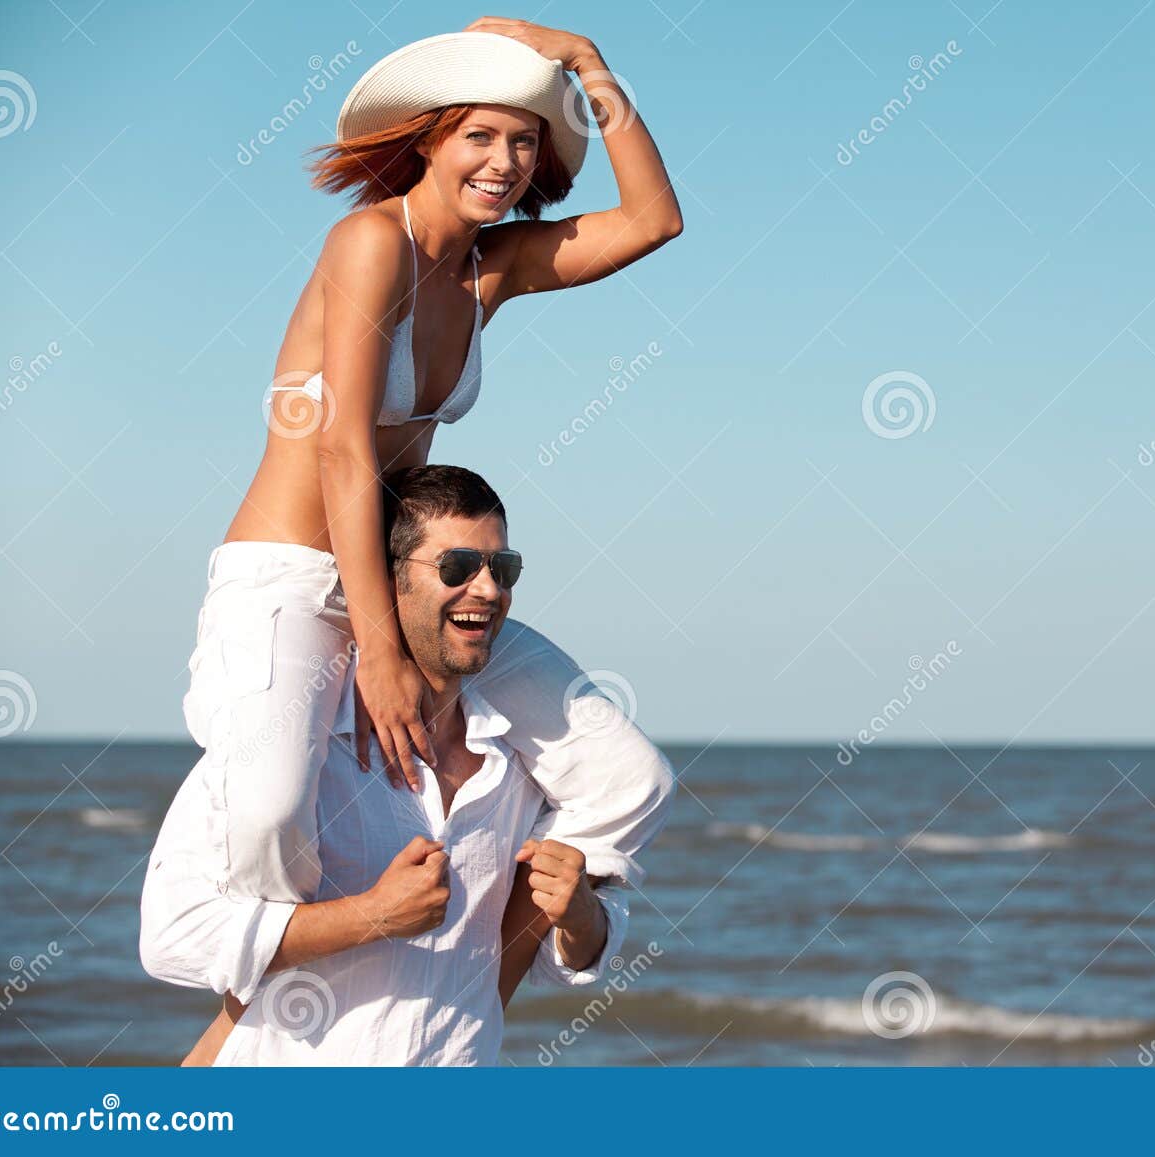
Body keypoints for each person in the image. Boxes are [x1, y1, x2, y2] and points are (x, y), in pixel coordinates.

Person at [174, 19, 682, 1050]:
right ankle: (228, 1052)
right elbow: (345, 454)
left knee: (627, 778)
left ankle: (465, 1013)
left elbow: (653, 221)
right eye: (481, 137)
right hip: (290, 577)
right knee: (270, 808)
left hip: (407, 580)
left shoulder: (487, 271)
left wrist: (585, 67)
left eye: (527, 142)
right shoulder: (370, 241)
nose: (504, 163)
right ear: (429, 138)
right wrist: (376, 648)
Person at [141, 466, 672, 1065]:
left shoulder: (523, 774)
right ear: (389, 583)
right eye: (456, 568)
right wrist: (371, 917)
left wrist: (580, 917)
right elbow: (174, 936)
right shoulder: (294, 753)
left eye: (503, 570)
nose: (488, 590)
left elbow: (573, 955)